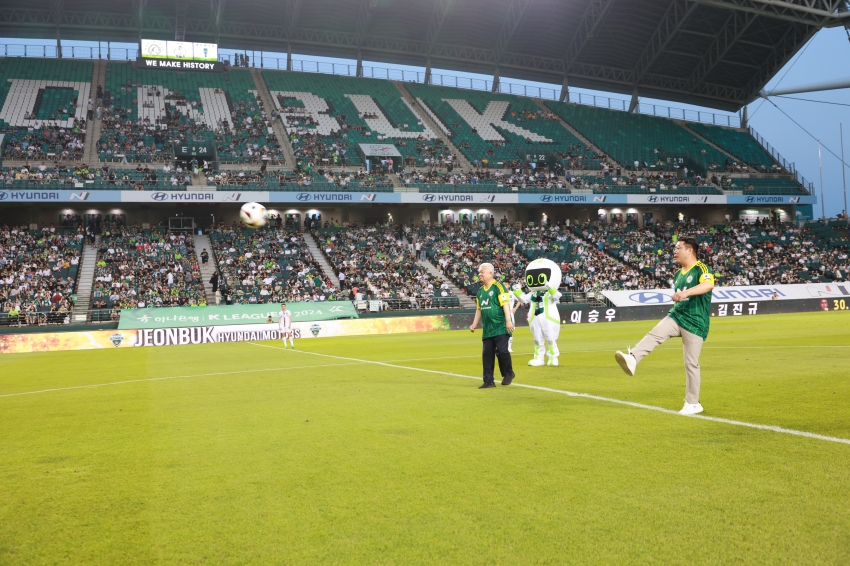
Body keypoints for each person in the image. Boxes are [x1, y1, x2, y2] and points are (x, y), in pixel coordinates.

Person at [614, 237, 715, 415]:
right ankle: (633, 358)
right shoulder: (678, 274)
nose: (674, 251)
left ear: (690, 250)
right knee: (655, 333)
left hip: (695, 321)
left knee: (691, 363)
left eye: (678, 248)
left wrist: (686, 293)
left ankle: (693, 404)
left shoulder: (701, 268)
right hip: (677, 316)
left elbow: (708, 285)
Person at [469, 263, 515, 389]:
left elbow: (505, 304)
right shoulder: (480, 291)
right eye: (479, 272)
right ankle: (488, 381)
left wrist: (508, 320)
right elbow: (479, 309)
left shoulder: (498, 287)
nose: (479, 275)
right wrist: (474, 324)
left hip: (500, 326)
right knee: (487, 355)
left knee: (502, 351)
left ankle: (508, 373)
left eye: (481, 272)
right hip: (488, 329)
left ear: (490, 273)